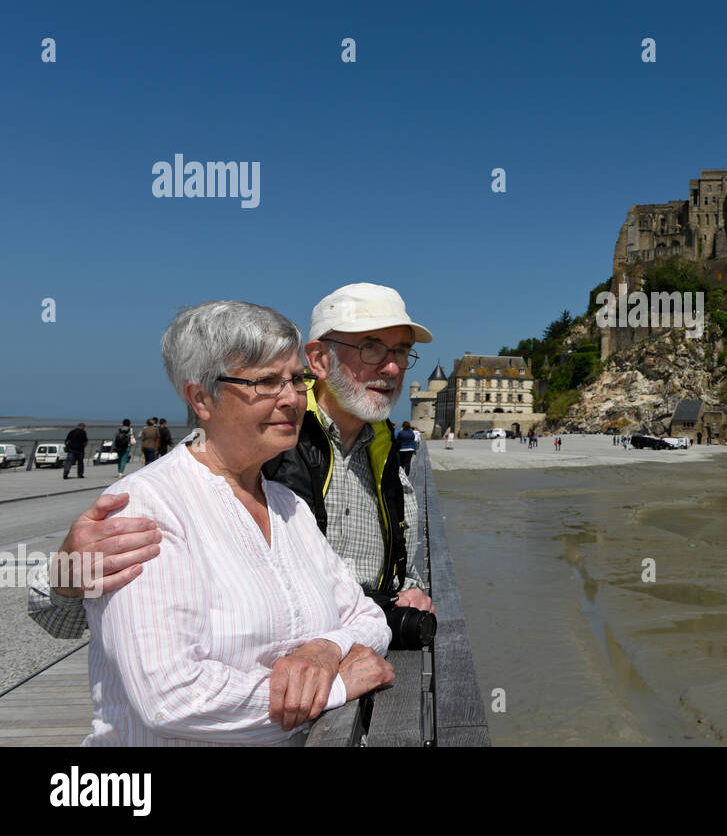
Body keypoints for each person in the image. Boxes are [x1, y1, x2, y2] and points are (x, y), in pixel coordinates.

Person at [27, 283, 435, 638]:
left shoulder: (385, 455)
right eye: (372, 348)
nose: (393, 367)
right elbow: (62, 620)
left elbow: (398, 572)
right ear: (319, 359)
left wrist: (407, 598)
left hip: (361, 667)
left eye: (401, 351)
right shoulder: (259, 439)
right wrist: (65, 576)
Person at [84, 300, 394, 745]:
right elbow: (170, 696)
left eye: (296, 379)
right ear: (201, 398)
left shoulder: (288, 507)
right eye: (266, 382)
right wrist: (338, 686)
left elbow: (366, 615)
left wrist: (324, 650)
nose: (292, 399)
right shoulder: (145, 508)